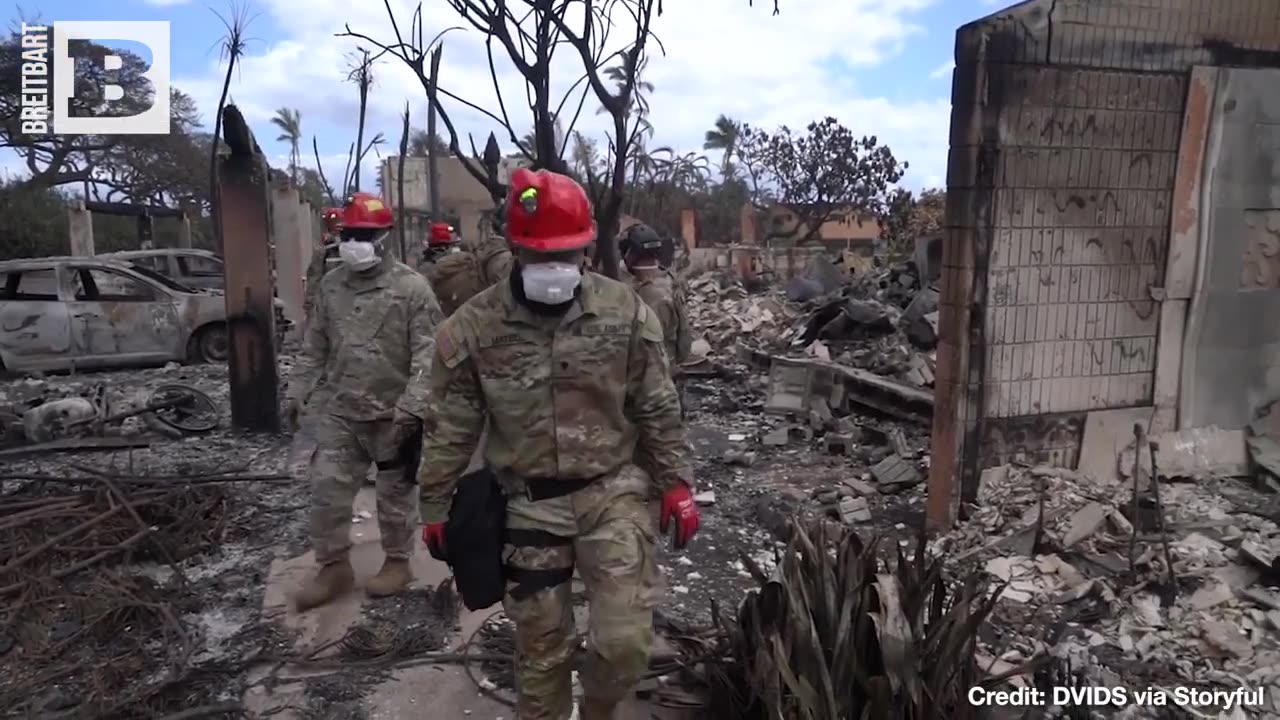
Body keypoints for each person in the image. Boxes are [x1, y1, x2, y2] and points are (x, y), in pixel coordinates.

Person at [416, 168, 699, 720]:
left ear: (587, 247)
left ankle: (596, 710)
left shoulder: (624, 313)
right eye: (540, 253)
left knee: (624, 645)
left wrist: (676, 483)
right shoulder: (473, 328)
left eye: (566, 253)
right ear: (515, 249)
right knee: (542, 653)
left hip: (612, 495)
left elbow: (656, 404)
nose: (554, 265)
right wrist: (434, 502)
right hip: (527, 506)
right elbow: (450, 424)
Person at [285, 192, 445, 611]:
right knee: (327, 489)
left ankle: (398, 562)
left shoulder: (411, 289)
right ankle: (333, 566)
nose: (355, 242)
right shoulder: (331, 286)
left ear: (384, 238)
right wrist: (298, 390)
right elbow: (314, 347)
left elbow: (429, 355)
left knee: (394, 495)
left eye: (365, 235)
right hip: (341, 411)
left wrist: (412, 408)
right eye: (350, 234)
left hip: (393, 415)